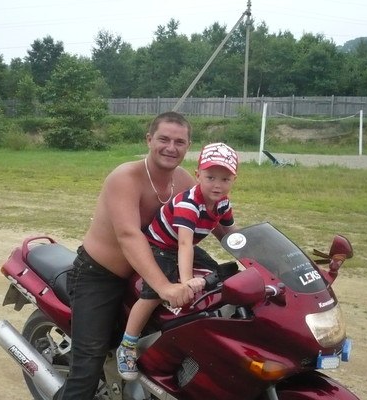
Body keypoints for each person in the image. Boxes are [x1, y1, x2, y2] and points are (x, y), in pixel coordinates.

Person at [60, 111, 217, 400]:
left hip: (155, 264)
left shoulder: (184, 181)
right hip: (101, 275)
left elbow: (216, 218)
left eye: (179, 142)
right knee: (88, 363)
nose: (171, 148)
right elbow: (129, 236)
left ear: (188, 146)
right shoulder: (125, 178)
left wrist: (257, 255)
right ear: (149, 140)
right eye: (164, 139)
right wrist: (164, 287)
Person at [116, 142, 239, 380]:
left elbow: (233, 234)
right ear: (198, 175)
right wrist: (186, 281)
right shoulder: (189, 204)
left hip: (183, 246)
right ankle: (128, 345)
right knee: (154, 293)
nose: (217, 184)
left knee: (218, 276)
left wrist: (256, 258)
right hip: (160, 246)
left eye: (225, 179)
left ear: (234, 179)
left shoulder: (223, 203)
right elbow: (184, 244)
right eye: (210, 177)